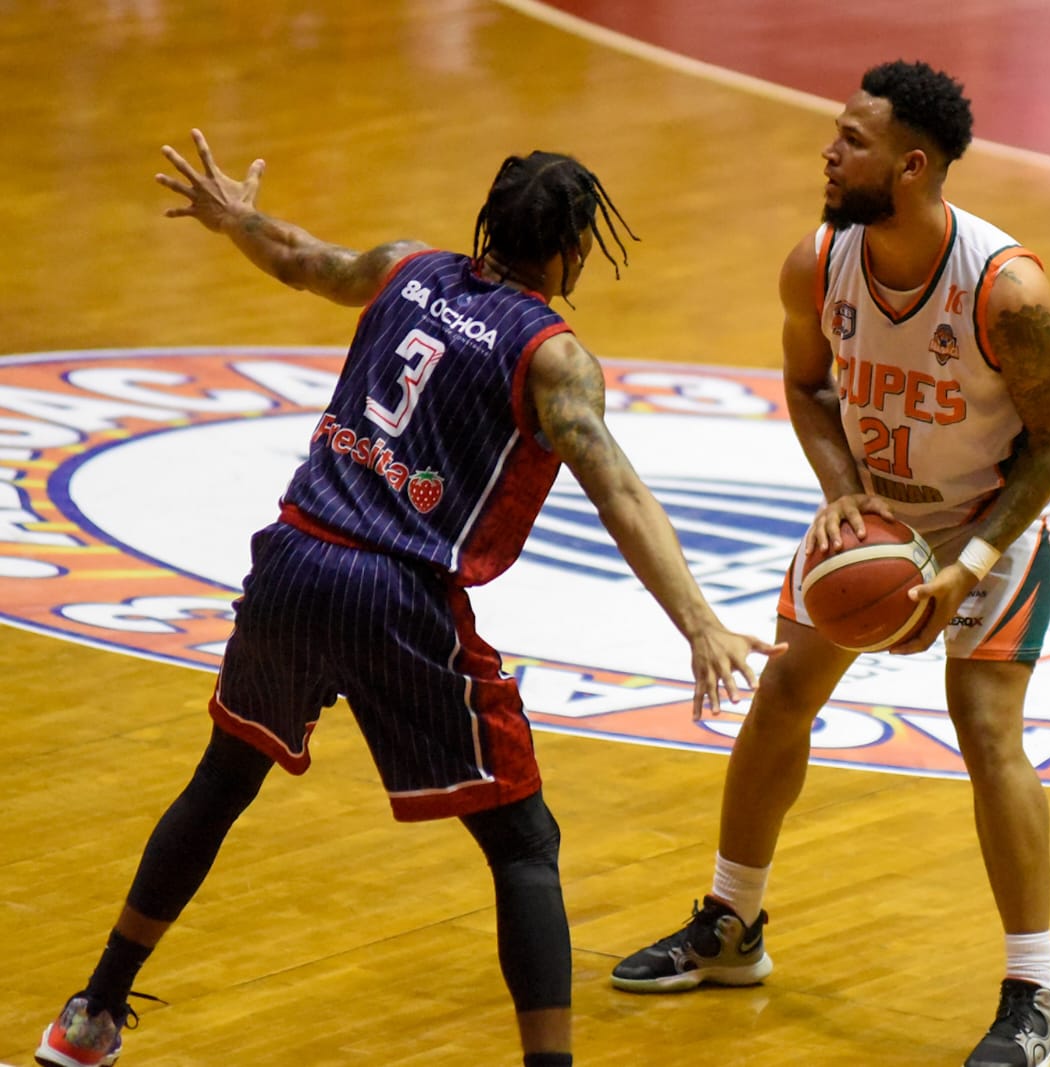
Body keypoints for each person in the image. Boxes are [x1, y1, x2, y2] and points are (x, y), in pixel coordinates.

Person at [34, 130, 783, 1067]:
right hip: (395, 592)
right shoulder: (554, 359)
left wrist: (235, 219)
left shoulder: (404, 268)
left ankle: (92, 1013)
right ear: (575, 251)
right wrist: (701, 621)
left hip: (295, 557)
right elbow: (620, 490)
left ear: (488, 223)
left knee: (223, 780)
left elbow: (303, 258)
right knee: (522, 841)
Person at [610, 61, 1050, 1067]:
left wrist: (976, 557)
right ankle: (731, 924)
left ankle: (1034, 997)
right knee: (783, 690)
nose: (828, 152)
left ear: (911, 166)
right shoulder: (816, 261)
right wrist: (841, 492)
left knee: (987, 731)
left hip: (985, 525)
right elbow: (806, 385)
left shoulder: (1007, 289)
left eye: (851, 141)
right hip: (871, 523)